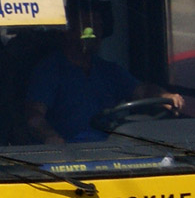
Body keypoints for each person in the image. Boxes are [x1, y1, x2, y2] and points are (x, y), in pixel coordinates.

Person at [25, 8, 184, 144]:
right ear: (68, 31)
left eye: (98, 27)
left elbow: (142, 91)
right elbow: (34, 116)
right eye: (87, 26)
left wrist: (165, 96)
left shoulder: (109, 70)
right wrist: (51, 137)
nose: (95, 33)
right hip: (70, 155)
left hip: (111, 149)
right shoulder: (49, 70)